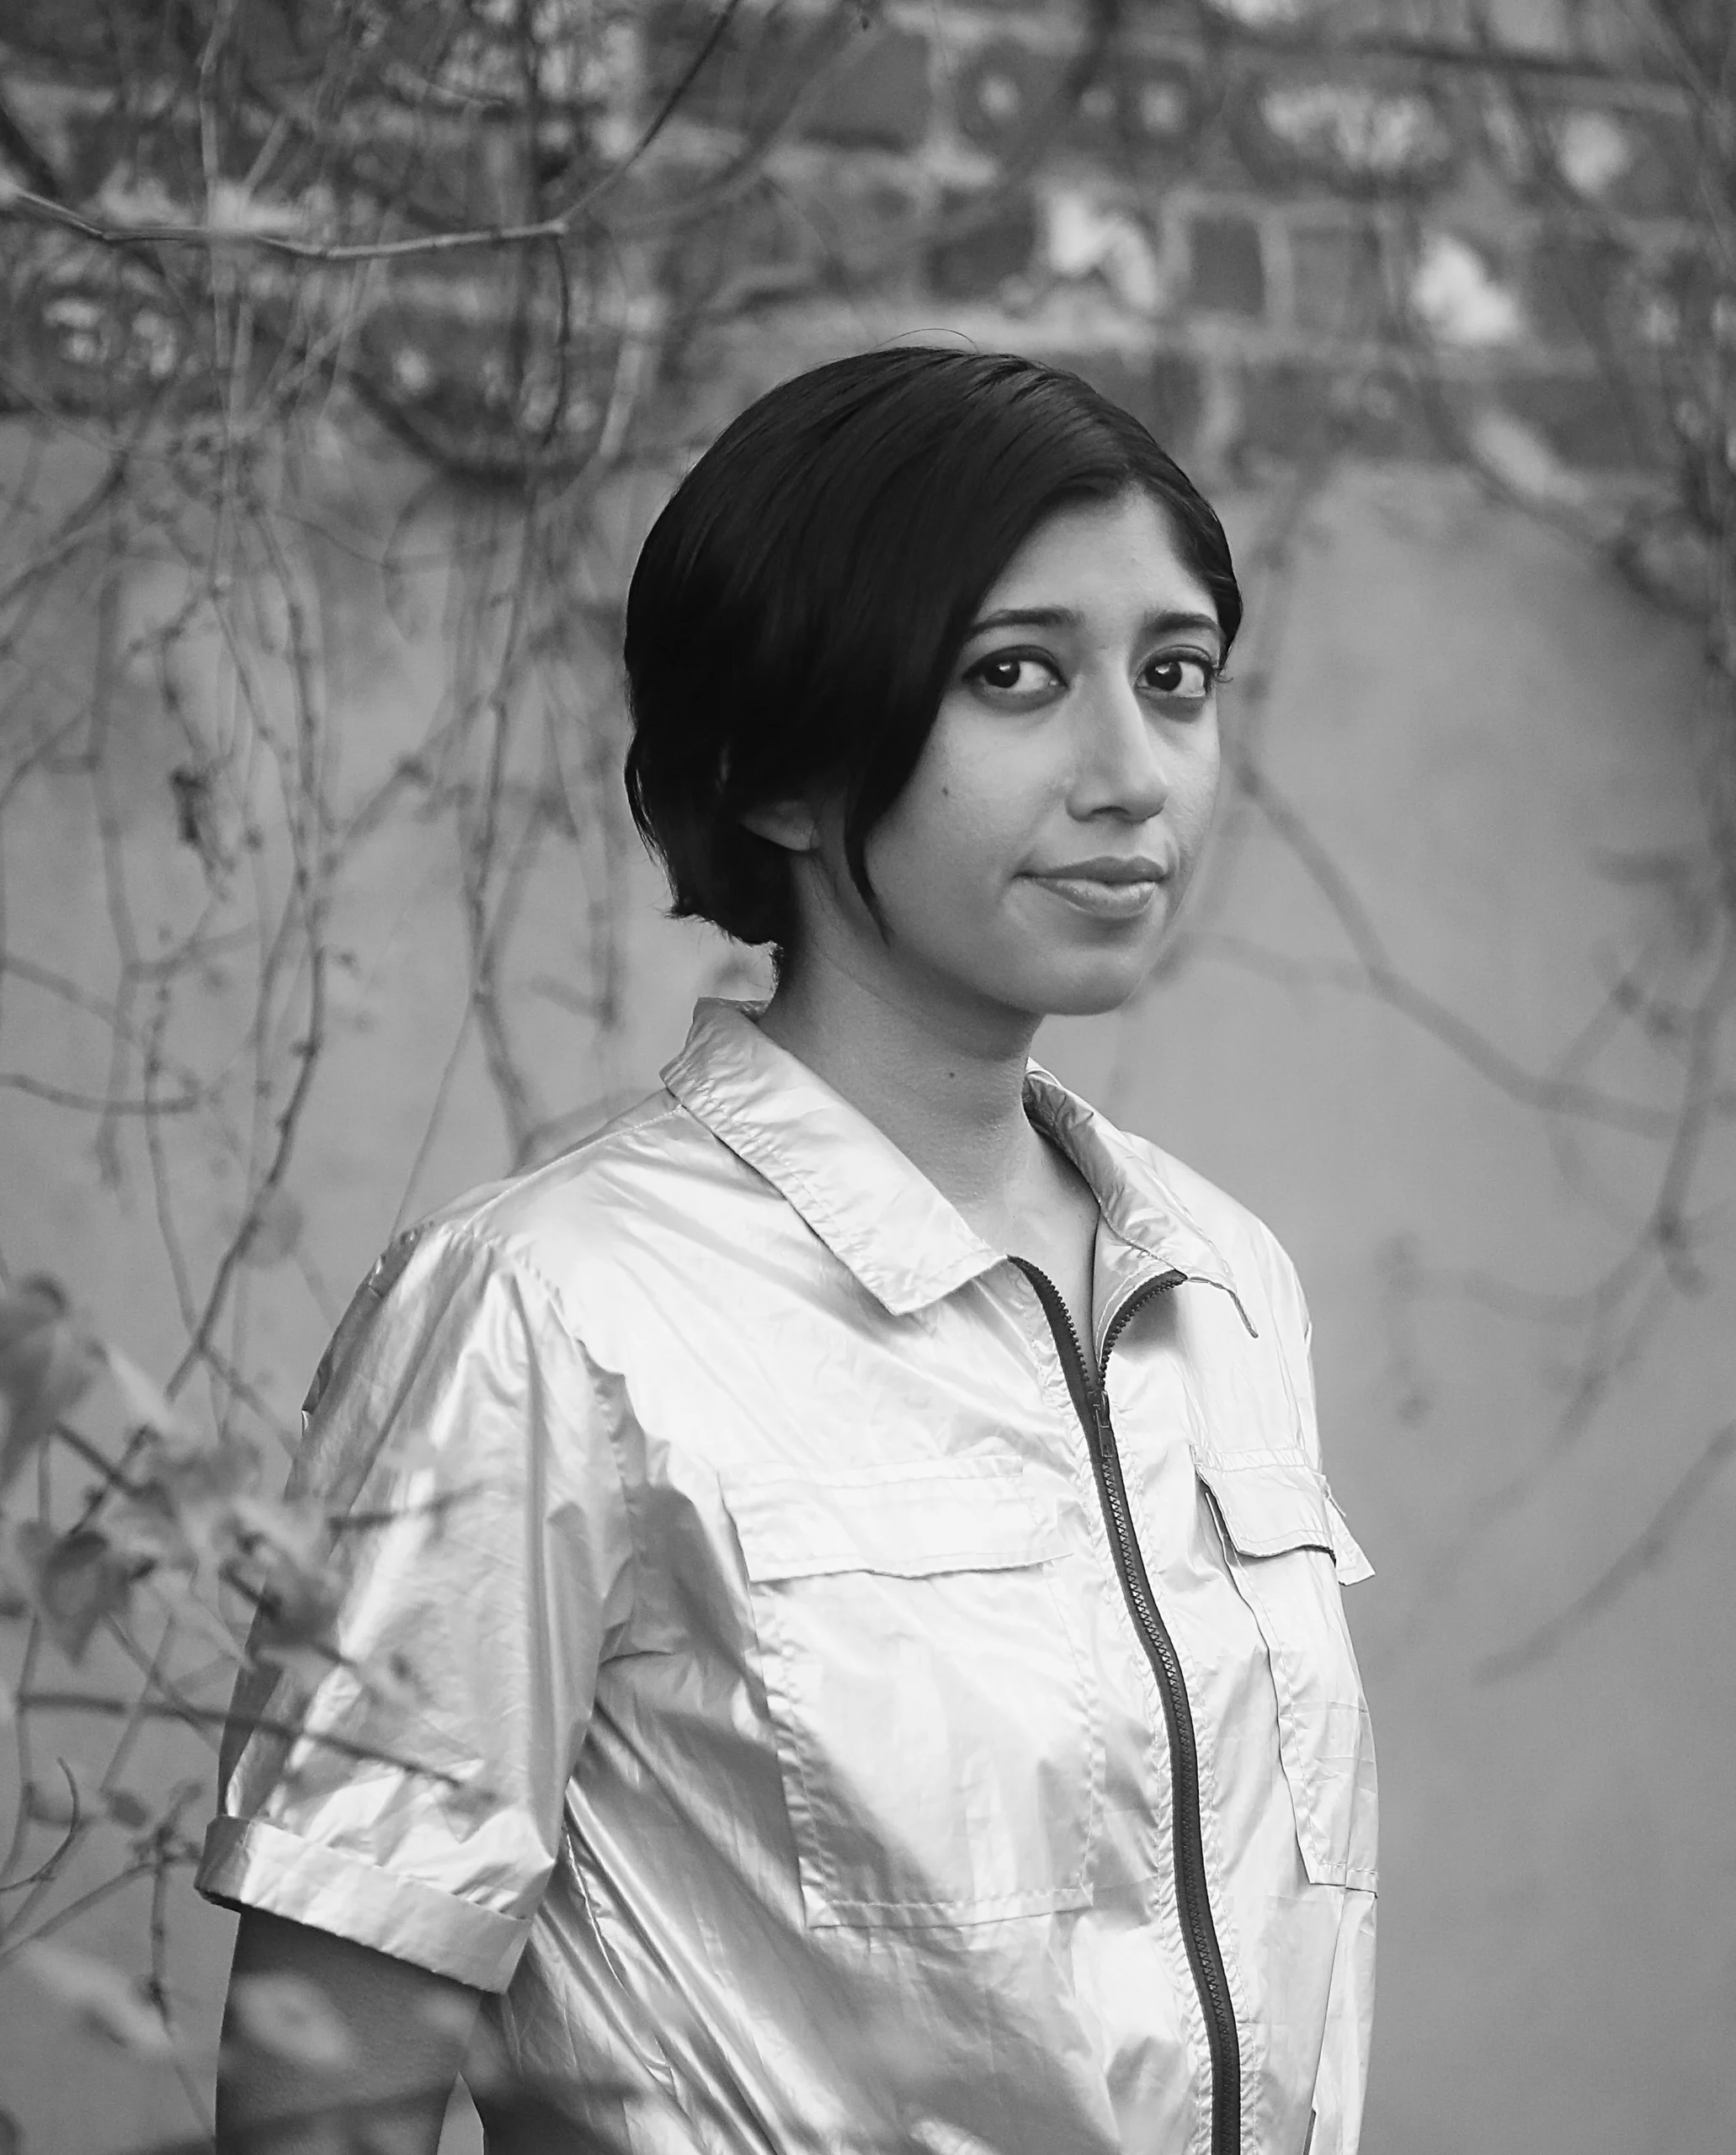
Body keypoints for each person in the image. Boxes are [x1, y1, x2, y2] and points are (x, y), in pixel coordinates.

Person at [204, 347, 1377, 2155]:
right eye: (1015, 676)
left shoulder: (1220, 1282)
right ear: (770, 766)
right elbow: (327, 2079)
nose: (1130, 772)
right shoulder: (545, 1308)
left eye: (1174, 677)